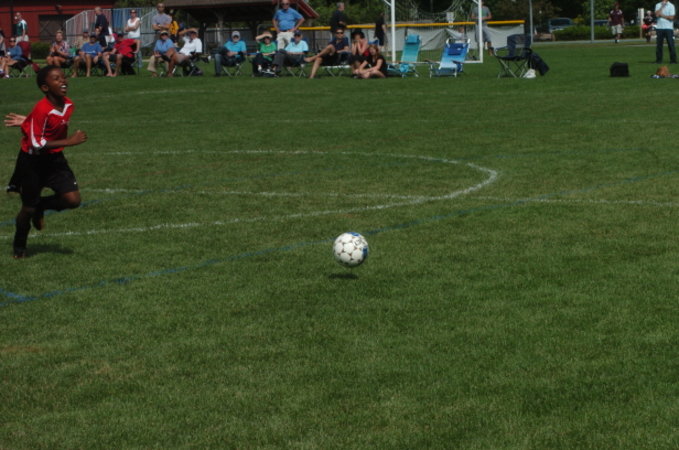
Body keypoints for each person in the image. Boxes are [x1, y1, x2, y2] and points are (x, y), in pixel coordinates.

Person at [4, 65, 88, 258]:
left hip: (55, 160)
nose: (63, 81)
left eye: (63, 77)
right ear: (45, 87)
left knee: (73, 200)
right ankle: (19, 246)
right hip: (32, 163)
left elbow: (45, 124)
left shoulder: (68, 105)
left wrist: (28, 121)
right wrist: (69, 141)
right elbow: (36, 142)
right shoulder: (41, 108)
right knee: (27, 208)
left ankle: (41, 207)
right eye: (56, 79)